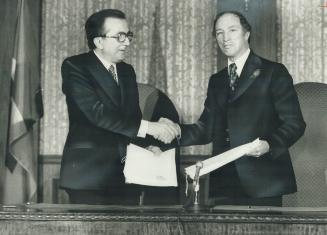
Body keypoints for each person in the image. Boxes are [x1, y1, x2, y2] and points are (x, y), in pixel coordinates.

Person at [162, 11, 306, 206]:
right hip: (224, 182)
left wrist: (269, 144)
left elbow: (295, 123)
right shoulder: (217, 80)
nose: (225, 38)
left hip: (264, 181)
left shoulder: (274, 72)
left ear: (246, 34)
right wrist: (176, 132)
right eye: (219, 32)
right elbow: (206, 129)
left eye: (232, 30)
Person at [59, 9, 179, 205]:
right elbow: (97, 115)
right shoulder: (75, 66)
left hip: (126, 176)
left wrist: (148, 145)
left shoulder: (126, 71)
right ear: (99, 42)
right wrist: (151, 128)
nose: (127, 42)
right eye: (120, 37)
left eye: (128, 35)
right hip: (88, 176)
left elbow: (132, 118)